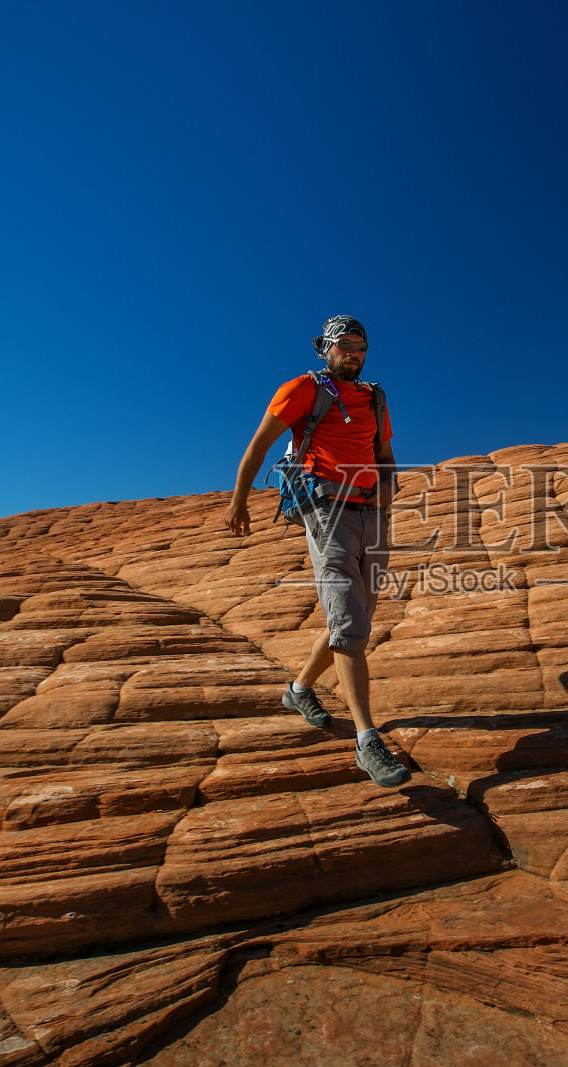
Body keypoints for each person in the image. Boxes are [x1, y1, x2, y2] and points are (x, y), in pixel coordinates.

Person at [225, 314, 411, 788]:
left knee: (351, 621)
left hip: (373, 513)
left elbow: (386, 457)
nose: (354, 351)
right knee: (351, 627)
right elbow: (258, 447)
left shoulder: (375, 398)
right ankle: (368, 741)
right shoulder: (302, 390)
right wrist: (239, 501)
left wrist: (390, 486)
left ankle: (298, 689)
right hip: (327, 511)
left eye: (361, 345)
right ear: (324, 348)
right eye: (344, 343)